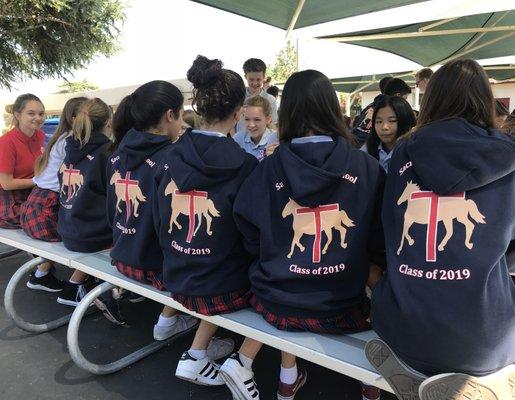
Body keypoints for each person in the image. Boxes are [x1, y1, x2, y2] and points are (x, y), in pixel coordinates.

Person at [368, 59, 515, 400]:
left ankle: (418, 372)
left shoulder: (402, 153)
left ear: (432, 100)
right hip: (485, 338)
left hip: (405, 327)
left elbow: (391, 232)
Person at [221, 69, 386, 400]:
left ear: (288, 111)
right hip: (341, 304)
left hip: (276, 300)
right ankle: (371, 384)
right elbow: (379, 240)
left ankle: (286, 375)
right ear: (330, 107)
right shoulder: (367, 167)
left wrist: (275, 254)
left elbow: (248, 229)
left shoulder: (267, 168)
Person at [156, 55, 258, 386]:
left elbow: (160, 220)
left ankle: (197, 347)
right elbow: (251, 237)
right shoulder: (245, 166)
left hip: (175, 277)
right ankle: (208, 355)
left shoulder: (170, 156)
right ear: (239, 113)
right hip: (224, 287)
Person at [106, 80, 200, 330]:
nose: (182, 123)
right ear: (170, 115)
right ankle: (174, 324)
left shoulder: (115, 154)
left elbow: (110, 213)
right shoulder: (172, 159)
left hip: (121, 257)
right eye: (180, 115)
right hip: (153, 268)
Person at [20, 97, 87, 292]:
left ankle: (41, 274)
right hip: (47, 209)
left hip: (35, 205)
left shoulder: (60, 136)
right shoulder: (71, 141)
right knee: (86, 235)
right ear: (76, 119)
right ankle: (77, 285)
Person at [56, 98, 114, 306]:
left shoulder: (70, 148)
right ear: (109, 122)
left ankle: (79, 285)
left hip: (67, 229)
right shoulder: (108, 153)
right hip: (92, 236)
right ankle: (80, 287)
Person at [0, 94, 62, 288]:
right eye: (31, 113)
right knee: (51, 220)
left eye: (41, 113)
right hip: (9, 200)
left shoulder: (40, 136)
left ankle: (43, 271)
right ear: (18, 115)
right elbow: (6, 184)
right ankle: (42, 272)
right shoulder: (6, 143)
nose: (38, 118)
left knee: (65, 215)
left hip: (33, 193)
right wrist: (38, 181)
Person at [362, 95, 416, 173]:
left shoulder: (415, 150)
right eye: (379, 122)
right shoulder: (368, 149)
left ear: (406, 121)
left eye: (392, 121)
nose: (384, 127)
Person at [236, 58, 278, 132]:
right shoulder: (238, 97)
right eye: (251, 79)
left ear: (263, 77)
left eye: (258, 80)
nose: (255, 83)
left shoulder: (271, 100)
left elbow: (273, 125)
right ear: (245, 77)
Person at [233, 96, 278, 161]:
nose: (251, 125)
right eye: (247, 119)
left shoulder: (275, 140)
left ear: (268, 119)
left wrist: (270, 160)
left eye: (257, 119)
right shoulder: (238, 138)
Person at [351, 76, 392, 146]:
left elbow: (357, 123)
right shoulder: (387, 107)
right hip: (366, 147)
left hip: (355, 144)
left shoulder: (370, 106)